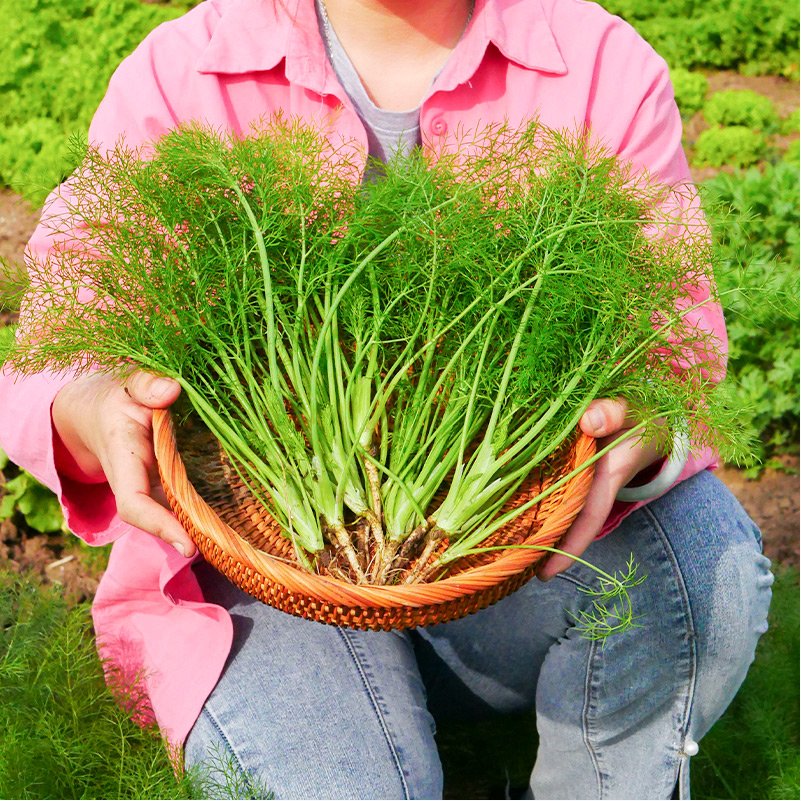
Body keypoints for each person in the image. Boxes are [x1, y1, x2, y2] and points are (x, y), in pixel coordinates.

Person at [0, 0, 773, 797]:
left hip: (515, 560)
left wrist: (638, 422)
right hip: (262, 576)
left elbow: (674, 340)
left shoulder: (597, 60)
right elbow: (61, 339)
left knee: (700, 559)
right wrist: (92, 404)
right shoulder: (187, 68)